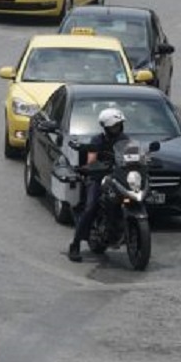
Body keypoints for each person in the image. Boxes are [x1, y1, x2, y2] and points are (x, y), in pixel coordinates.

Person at [67, 108, 128, 262]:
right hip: (99, 177)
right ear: (106, 128)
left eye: (119, 125)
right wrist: (92, 166)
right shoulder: (97, 141)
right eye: (114, 126)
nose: (117, 129)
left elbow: (132, 154)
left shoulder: (125, 139)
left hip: (119, 177)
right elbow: (91, 160)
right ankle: (75, 244)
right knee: (90, 207)